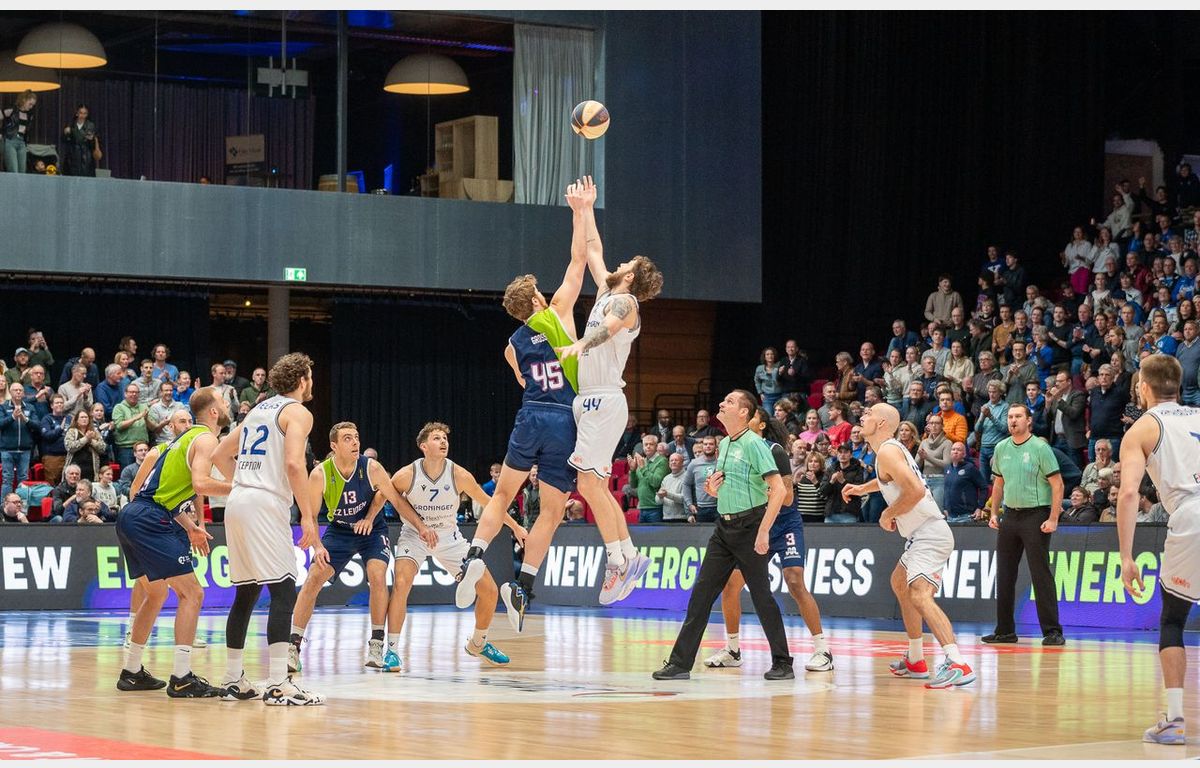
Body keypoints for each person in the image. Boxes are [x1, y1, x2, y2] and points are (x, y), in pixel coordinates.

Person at [453, 178, 591, 628]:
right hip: (565, 418)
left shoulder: (511, 345)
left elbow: (520, 379)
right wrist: (580, 212)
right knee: (550, 511)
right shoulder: (559, 312)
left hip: (531, 413)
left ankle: (474, 556)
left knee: (504, 494)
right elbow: (578, 261)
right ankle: (523, 586)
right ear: (535, 299)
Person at [545, 176, 663, 605]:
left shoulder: (625, 303)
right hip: (590, 400)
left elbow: (608, 330)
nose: (619, 262)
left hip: (604, 398)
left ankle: (618, 560)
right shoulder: (608, 291)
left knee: (589, 485)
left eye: (626, 263)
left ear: (630, 277)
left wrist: (580, 344)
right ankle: (628, 554)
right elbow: (592, 249)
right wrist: (584, 209)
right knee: (594, 484)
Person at [652, 390, 794, 681]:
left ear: (743, 412)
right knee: (701, 595)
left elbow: (779, 490)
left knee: (762, 597)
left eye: (729, 401)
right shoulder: (726, 443)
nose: (721, 403)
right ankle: (680, 664)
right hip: (724, 528)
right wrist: (714, 490)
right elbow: (729, 485)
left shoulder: (755, 444)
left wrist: (763, 531)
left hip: (750, 526)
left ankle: (783, 662)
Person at [210, 352, 324, 706]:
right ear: (302, 380)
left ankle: (233, 680)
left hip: (238, 501)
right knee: (283, 591)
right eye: (310, 376)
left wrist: (245, 483)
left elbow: (219, 455)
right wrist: (308, 516)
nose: (312, 381)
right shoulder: (297, 412)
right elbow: (294, 464)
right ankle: (278, 684)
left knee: (246, 593)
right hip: (264, 504)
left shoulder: (258, 410)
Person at [842, 403, 976, 689]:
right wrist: (862, 488)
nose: (862, 417)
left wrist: (887, 514)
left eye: (868, 414)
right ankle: (916, 658)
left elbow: (914, 490)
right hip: (920, 534)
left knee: (919, 595)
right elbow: (891, 482)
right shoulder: (888, 451)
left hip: (930, 533)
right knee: (900, 583)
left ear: (881, 423)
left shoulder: (887, 452)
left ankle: (957, 662)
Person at [114, 388, 232, 698]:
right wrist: (243, 487)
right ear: (214, 412)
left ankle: (132, 671)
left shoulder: (179, 442)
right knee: (192, 593)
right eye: (223, 401)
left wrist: (191, 527)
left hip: (134, 515)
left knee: (155, 595)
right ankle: (181, 677)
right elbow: (200, 484)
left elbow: (163, 495)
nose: (227, 404)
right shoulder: (206, 439)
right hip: (150, 519)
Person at [288, 421, 433, 674]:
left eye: (356, 437)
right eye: (347, 438)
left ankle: (376, 644)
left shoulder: (372, 467)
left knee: (377, 576)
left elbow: (396, 500)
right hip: (339, 531)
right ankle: (293, 647)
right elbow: (309, 517)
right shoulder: (320, 474)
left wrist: (421, 526)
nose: (355, 442)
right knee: (313, 578)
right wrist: (318, 546)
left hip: (372, 530)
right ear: (334, 446)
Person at [388, 422, 523, 670]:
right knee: (401, 583)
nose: (443, 442)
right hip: (415, 535)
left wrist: (515, 527)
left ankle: (478, 643)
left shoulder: (459, 474)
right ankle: (392, 650)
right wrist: (370, 519)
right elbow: (386, 495)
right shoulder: (407, 474)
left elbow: (490, 504)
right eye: (436, 438)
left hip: (449, 537)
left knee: (489, 590)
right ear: (423, 446)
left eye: (445, 438)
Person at [706, 407, 832, 673]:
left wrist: (754, 488)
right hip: (755, 525)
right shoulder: (733, 450)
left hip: (783, 524)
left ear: (761, 425)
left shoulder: (774, 450)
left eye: (751, 416)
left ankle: (823, 650)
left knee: (795, 580)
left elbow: (786, 497)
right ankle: (732, 649)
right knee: (731, 585)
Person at [1116, 355, 1200, 745]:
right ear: (1178, 386)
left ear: (1144, 388)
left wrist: (1126, 556)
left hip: (1192, 515)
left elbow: (1129, 494)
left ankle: (1175, 720)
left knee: (1172, 620)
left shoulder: (1143, 428)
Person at [984, 405, 1065, 647]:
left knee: (1040, 573)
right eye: (1010, 417)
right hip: (1010, 515)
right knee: (1005, 573)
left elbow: (1058, 484)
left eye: (1018, 416)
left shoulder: (1040, 448)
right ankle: (1005, 631)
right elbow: (998, 484)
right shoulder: (1001, 447)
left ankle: (1052, 631)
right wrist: (994, 513)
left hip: (1036, 515)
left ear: (1028, 421)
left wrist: (1053, 518)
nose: (1013, 420)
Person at [2, 90, 37, 173]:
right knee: (13, 170)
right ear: (24, 100)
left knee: (22, 171)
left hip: (22, 142)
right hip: (10, 140)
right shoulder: (12, 110)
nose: (31, 107)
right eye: (30, 104)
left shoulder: (29, 115)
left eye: (33, 105)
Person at [61, 104, 100, 177]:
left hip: (85, 157)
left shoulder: (90, 125)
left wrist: (91, 139)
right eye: (81, 113)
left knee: (85, 178)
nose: (82, 115)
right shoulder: (71, 124)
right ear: (77, 114)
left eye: (85, 113)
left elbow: (83, 139)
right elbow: (63, 140)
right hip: (72, 157)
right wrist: (65, 134)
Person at [754, 347, 785, 412]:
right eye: (767, 354)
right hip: (767, 396)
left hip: (780, 395)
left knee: (780, 415)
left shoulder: (780, 365)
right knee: (768, 415)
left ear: (774, 356)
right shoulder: (759, 368)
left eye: (772, 354)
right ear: (764, 357)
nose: (770, 356)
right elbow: (757, 381)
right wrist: (760, 393)